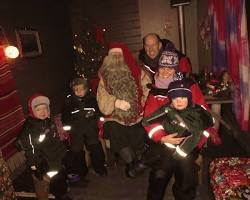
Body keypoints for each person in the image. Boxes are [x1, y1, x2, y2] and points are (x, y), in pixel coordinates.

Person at [141, 50, 221, 200]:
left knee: (187, 173)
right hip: (165, 142)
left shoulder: (190, 86)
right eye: (162, 67)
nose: (165, 71)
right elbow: (149, 119)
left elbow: (204, 115)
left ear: (176, 69)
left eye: (170, 68)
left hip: (189, 141)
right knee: (160, 173)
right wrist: (163, 138)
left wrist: (196, 141)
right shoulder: (154, 91)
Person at [96, 42, 151, 178]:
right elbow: (101, 99)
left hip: (137, 114)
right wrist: (116, 102)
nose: (115, 59)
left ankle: (136, 161)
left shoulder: (138, 72)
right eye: (112, 55)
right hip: (115, 116)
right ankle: (133, 163)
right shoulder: (104, 77)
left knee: (139, 131)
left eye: (118, 55)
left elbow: (148, 90)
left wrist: (143, 106)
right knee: (114, 130)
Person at [16, 94, 72, 200]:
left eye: (45, 108)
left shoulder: (48, 122)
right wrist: (35, 166)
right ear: (32, 111)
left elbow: (54, 139)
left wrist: (63, 151)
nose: (43, 112)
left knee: (59, 177)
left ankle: (61, 193)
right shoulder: (30, 129)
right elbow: (30, 150)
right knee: (43, 184)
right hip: (43, 162)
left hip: (55, 158)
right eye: (38, 109)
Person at [61, 77, 107, 177]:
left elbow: (98, 111)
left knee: (95, 148)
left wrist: (100, 119)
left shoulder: (92, 99)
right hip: (76, 130)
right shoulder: (69, 102)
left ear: (86, 89)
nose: (79, 92)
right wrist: (67, 127)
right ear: (73, 91)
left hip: (90, 127)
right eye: (76, 90)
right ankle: (81, 172)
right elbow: (65, 116)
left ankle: (100, 169)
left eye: (81, 89)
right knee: (77, 151)